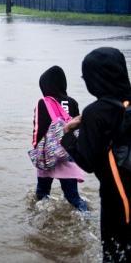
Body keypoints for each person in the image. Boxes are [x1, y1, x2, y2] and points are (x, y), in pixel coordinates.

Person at [62, 47, 131, 262]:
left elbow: (87, 161)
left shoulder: (95, 112)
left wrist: (68, 133)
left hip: (116, 199)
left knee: (113, 253)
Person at [32, 66, 87, 211]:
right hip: (67, 153)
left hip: (48, 154)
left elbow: (38, 128)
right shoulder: (73, 102)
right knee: (73, 197)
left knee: (42, 194)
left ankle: (38, 222)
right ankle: (87, 218)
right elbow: (78, 129)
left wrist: (36, 149)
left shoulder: (42, 102)